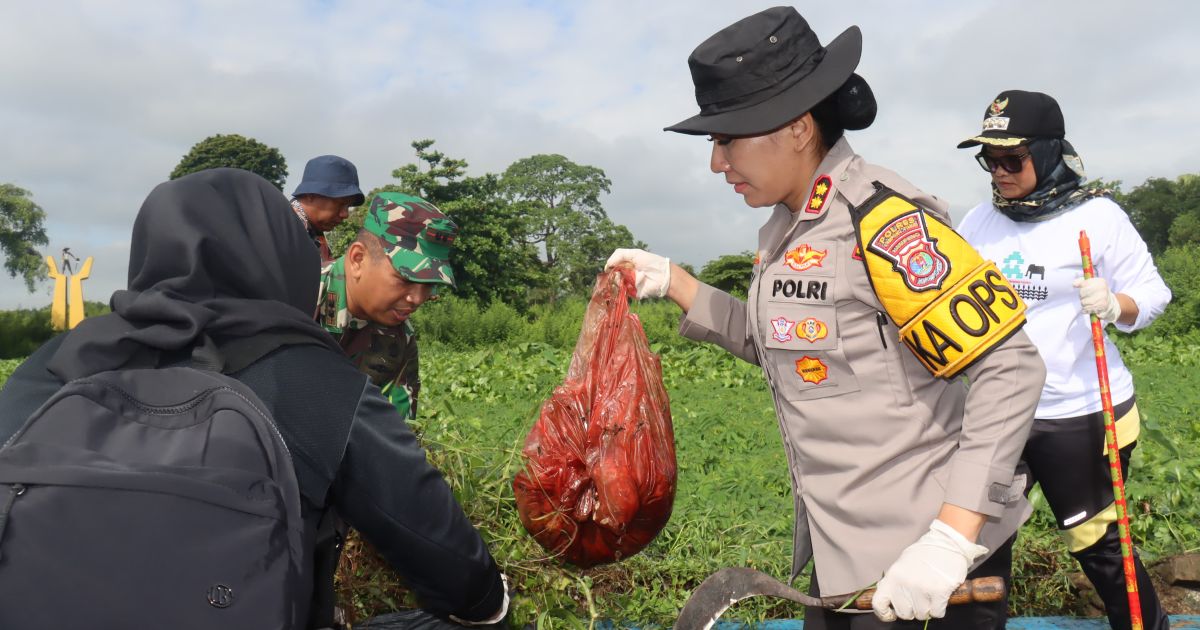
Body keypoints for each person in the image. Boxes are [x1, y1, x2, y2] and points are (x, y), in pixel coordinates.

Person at [608, 8, 1045, 628]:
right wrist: (677, 285)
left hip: (925, 563)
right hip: (842, 555)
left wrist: (950, 539)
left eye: (727, 138)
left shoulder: (885, 224)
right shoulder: (789, 228)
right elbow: (792, 345)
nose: (716, 162)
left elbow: (1013, 366)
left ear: (795, 126)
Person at [0, 169, 508, 629]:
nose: (415, 299)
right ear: (285, 258)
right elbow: (432, 537)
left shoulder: (48, 365)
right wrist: (490, 601)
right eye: (406, 279)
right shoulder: (316, 380)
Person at [955, 90, 1172, 630]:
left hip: (1078, 410)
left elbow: (1152, 295)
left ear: (1050, 153)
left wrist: (1113, 303)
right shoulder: (980, 222)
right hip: (998, 412)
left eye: (1013, 159)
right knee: (979, 542)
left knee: (1096, 542)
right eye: (990, 159)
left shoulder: (1098, 217)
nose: (999, 172)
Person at [317, 191, 455, 420]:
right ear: (358, 259)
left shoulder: (400, 338)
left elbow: (398, 430)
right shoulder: (300, 294)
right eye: (406, 279)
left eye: (429, 284)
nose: (418, 298)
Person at [292, 154, 366, 263]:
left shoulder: (312, 232)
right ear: (310, 194)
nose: (345, 214)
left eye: (348, 206)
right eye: (341, 203)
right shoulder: (286, 230)